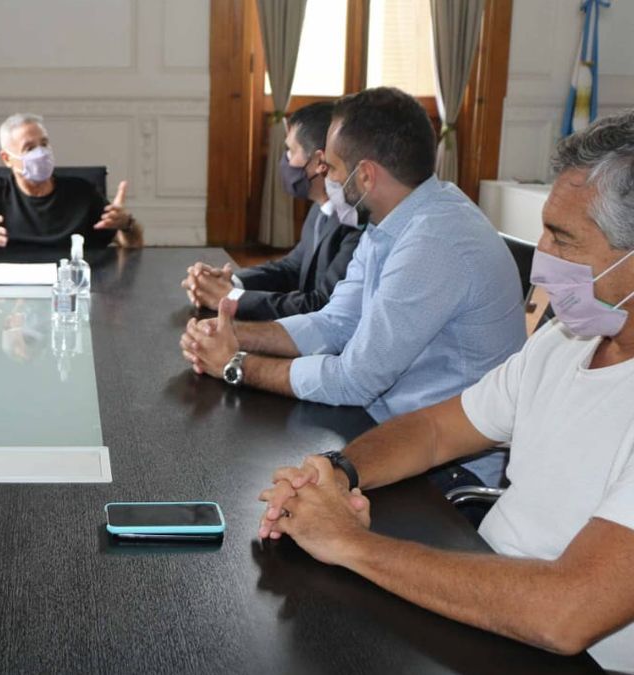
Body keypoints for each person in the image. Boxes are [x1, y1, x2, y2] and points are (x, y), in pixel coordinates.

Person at [255, 110, 634, 671]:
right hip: (484, 600)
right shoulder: (566, 339)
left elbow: (565, 612)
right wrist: (336, 472)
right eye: (544, 232)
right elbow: (435, 431)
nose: (542, 264)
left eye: (564, 239)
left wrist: (351, 544)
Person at [180, 88, 526, 490]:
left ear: (365, 175)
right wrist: (233, 335)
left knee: (264, 490)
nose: (325, 177)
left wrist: (237, 365)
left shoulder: (435, 242)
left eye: (332, 167)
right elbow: (335, 323)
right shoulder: (392, 220)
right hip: (385, 429)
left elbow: (353, 379)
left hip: (442, 469)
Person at [182, 101, 363, 320]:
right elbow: (291, 268)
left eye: (290, 150)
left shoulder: (355, 222)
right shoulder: (320, 208)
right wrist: (230, 281)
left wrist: (232, 298)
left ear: (318, 161)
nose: (285, 159)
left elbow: (322, 304)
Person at [0, 113, 144, 249]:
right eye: (29, 148)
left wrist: (127, 224)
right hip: (10, 296)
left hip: (67, 292)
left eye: (45, 144)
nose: (42, 153)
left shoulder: (83, 191)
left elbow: (132, 246)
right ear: (7, 158)